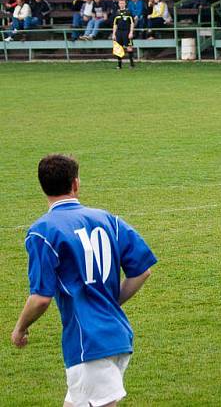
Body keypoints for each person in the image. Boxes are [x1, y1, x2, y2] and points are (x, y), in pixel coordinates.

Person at [11, 154, 156, 407]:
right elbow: (142, 271)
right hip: (116, 336)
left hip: (88, 342)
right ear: (76, 184)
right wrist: (111, 302)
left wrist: (20, 328)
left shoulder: (42, 231)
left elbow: (41, 298)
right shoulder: (107, 219)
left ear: (42, 186)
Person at [112, 0, 135, 69]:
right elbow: (115, 24)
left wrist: (131, 32)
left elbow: (132, 23)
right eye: (120, 3)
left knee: (129, 47)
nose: (121, 4)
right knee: (118, 48)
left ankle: (131, 64)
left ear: (125, 4)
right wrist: (113, 34)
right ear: (119, 4)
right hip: (119, 32)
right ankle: (119, 65)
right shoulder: (117, 13)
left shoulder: (128, 12)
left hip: (126, 31)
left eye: (123, 3)